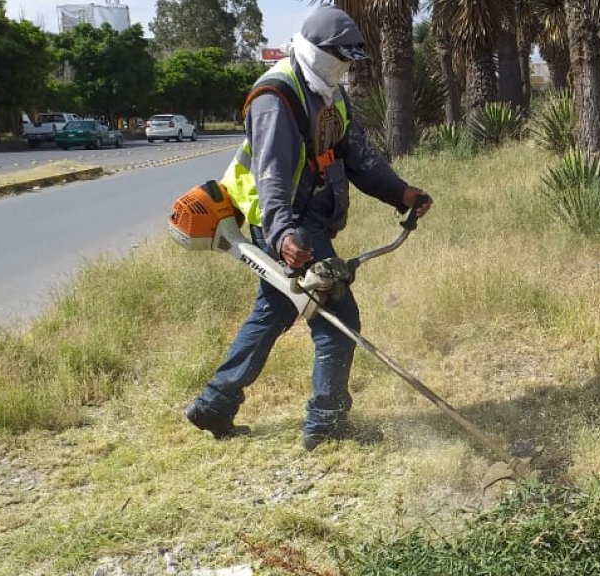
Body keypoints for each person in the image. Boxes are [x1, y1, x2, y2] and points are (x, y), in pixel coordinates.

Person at [185, 5, 432, 451]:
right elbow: (272, 176)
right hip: (286, 222)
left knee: (275, 311)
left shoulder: (329, 91)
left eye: (351, 60)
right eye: (341, 57)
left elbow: (358, 157)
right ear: (317, 51)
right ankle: (327, 422)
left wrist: (402, 193)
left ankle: (214, 404)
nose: (347, 67)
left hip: (306, 219)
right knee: (338, 318)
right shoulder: (275, 97)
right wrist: (283, 235)